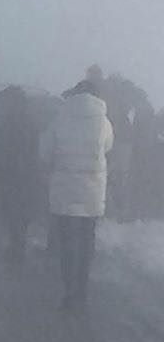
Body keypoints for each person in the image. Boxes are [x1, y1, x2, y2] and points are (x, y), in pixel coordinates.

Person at [49, 80, 113, 311]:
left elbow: (46, 150)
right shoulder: (104, 121)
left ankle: (69, 291)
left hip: (65, 187)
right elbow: (108, 147)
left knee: (67, 241)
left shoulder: (60, 118)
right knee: (86, 240)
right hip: (92, 189)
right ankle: (82, 290)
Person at [0, 86, 40, 266]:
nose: (2, 106)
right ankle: (17, 247)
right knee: (19, 216)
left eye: (5, 102)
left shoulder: (9, 125)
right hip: (23, 178)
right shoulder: (29, 123)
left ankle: (16, 250)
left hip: (13, 178)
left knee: (14, 215)